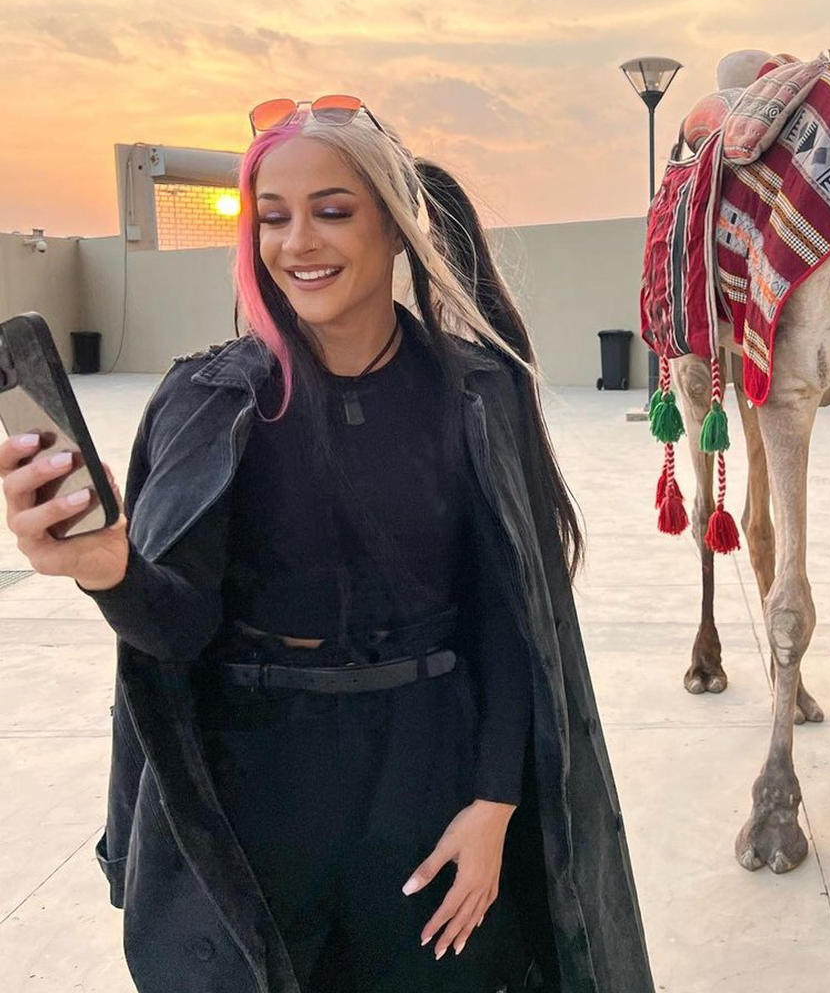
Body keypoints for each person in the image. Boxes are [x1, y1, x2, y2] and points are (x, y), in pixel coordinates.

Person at [0, 98, 655, 992]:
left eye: (332, 211)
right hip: (258, 798)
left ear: (396, 227)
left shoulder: (476, 394)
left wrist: (495, 804)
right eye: (272, 218)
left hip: (428, 781)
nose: (297, 242)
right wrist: (106, 569)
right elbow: (176, 633)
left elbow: (511, 624)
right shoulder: (208, 401)